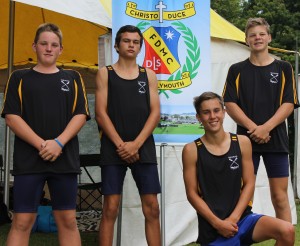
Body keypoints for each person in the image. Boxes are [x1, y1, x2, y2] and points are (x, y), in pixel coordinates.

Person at [1, 23, 90, 246]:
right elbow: (12, 117)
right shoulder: (19, 77)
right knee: (22, 221)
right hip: (29, 159)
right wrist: (43, 145)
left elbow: (80, 115)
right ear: (34, 46)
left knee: (68, 220)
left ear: (61, 49)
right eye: (44, 44)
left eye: (54, 45)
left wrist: (58, 143)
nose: (49, 49)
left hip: (64, 158)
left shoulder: (73, 78)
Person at [182, 91, 295, 245]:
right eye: (206, 112)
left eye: (216, 110)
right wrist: (218, 223)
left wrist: (234, 218)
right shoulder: (191, 150)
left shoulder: (242, 142)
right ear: (198, 117)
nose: (212, 116)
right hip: (214, 229)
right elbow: (192, 194)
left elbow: (249, 183)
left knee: (287, 230)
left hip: (243, 220)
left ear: (224, 112)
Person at [222, 17, 299, 222]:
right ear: (246, 40)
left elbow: (289, 103)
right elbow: (229, 103)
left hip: (277, 141)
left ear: (269, 38)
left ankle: (285, 240)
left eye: (261, 34)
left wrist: (266, 128)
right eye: (253, 35)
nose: (257, 38)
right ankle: (238, 241)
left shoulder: (284, 68)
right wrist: (254, 129)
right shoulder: (236, 70)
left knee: (280, 198)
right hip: (245, 142)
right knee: (242, 198)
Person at [95, 25, 161, 246]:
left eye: (136, 42)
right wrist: (122, 145)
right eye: (126, 41)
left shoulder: (148, 75)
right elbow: (101, 114)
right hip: (113, 147)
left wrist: (136, 144)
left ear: (140, 47)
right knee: (110, 207)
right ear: (117, 45)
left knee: (152, 207)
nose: (131, 45)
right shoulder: (105, 73)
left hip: (143, 146)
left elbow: (155, 113)